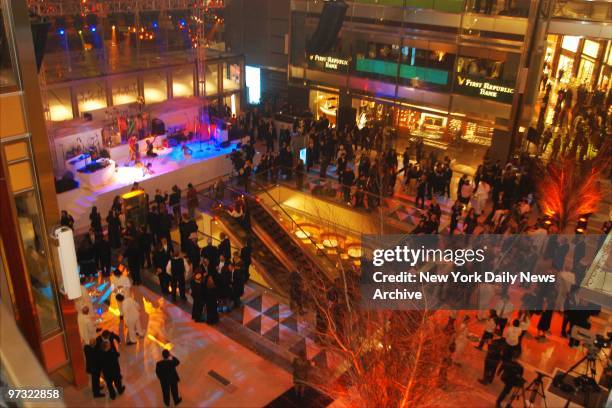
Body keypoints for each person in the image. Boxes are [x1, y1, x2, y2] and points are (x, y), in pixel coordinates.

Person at [99, 336, 125, 400]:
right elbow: (116, 359)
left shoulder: (101, 354)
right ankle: (120, 390)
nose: (110, 345)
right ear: (106, 347)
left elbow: (101, 365)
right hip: (114, 371)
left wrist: (102, 373)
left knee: (109, 384)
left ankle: (112, 395)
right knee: (117, 382)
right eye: (108, 345)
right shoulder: (111, 352)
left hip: (107, 373)